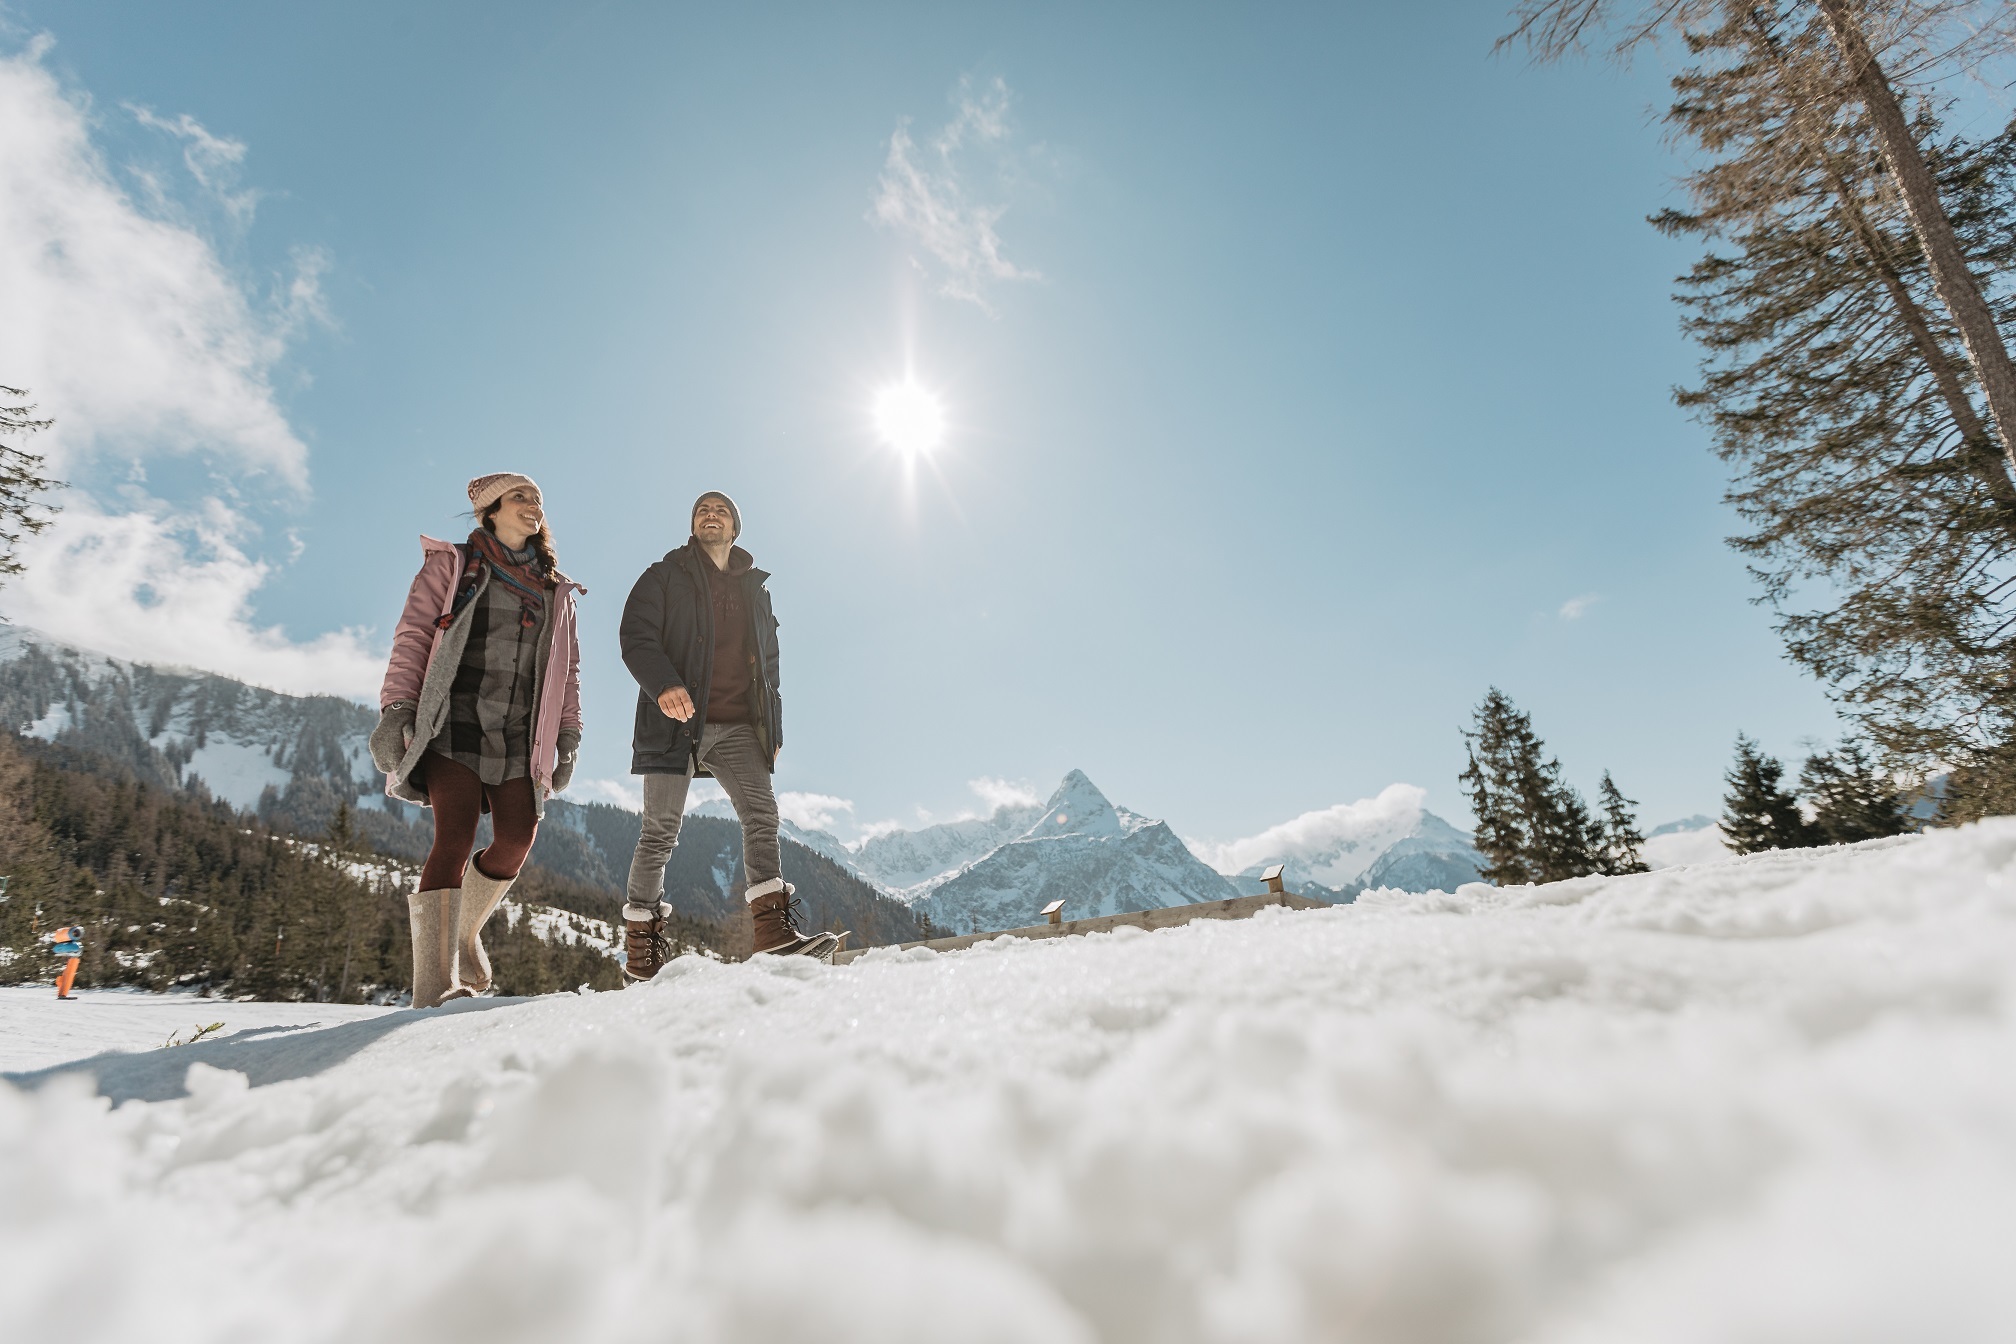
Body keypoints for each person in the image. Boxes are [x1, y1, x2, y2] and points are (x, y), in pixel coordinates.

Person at [369, 473, 584, 1008]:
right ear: (489, 510)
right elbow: (415, 634)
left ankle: (464, 933)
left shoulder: (557, 590)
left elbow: (568, 670)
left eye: (538, 499)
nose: (533, 505)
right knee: (454, 838)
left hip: (518, 733)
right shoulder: (453, 566)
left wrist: (568, 736)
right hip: (452, 721)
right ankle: (432, 986)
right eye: (521, 497)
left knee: (516, 838)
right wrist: (397, 710)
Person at [618, 490, 834, 979]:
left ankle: (774, 937)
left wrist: (771, 725)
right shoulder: (663, 576)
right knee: (659, 833)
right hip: (675, 720)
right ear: (693, 526)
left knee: (762, 816)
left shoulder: (755, 590)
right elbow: (636, 637)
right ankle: (640, 953)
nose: (710, 516)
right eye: (701, 511)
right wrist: (664, 685)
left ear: (735, 527)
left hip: (740, 725)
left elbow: (770, 665)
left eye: (721, 511)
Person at [45, 923, 83, 999]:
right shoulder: (62, 940)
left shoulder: (70, 942)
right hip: (72, 954)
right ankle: (62, 993)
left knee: (70, 971)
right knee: (69, 972)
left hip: (73, 954)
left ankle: (62, 992)